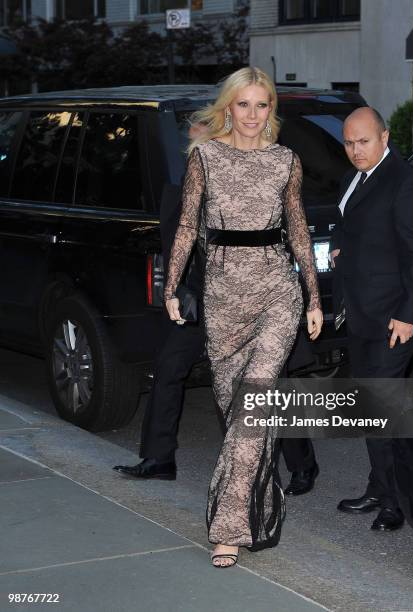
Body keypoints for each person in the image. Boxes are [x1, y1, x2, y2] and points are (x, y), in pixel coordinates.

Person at [164, 66, 323, 567]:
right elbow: (188, 226)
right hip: (224, 296)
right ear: (228, 108)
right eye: (244, 104)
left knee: (254, 407)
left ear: (271, 109)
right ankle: (261, 499)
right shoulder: (204, 158)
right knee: (238, 413)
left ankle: (228, 529)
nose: (253, 115)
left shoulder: (286, 161)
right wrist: (170, 287)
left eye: (263, 105)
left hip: (278, 291)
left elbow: (298, 231)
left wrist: (314, 298)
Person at [112, 121, 319, 495]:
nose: (197, 150)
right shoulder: (186, 188)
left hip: (253, 297)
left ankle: (301, 464)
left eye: (203, 141)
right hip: (200, 300)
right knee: (169, 366)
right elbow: (178, 240)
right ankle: (159, 458)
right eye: (192, 143)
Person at [329, 107, 413, 531]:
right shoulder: (354, 177)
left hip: (395, 316)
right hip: (360, 312)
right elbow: (344, 221)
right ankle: (379, 486)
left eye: (363, 141)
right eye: (349, 143)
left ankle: (394, 502)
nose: (355, 150)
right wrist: (339, 246)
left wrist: (409, 314)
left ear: (385, 137)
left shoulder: (407, 183)